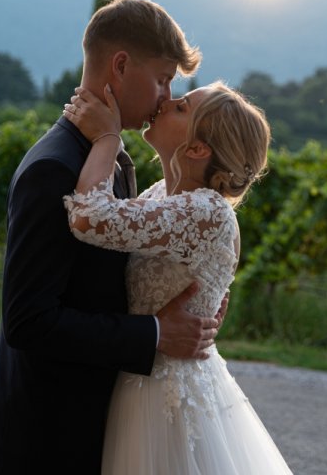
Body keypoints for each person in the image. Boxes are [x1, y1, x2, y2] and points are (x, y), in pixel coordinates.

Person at [0, 0, 225, 474]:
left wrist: (196, 307)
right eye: (162, 79)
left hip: (96, 427)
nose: (164, 96)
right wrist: (155, 334)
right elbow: (28, 321)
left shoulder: (105, 156)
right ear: (120, 65)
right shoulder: (54, 168)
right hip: (48, 438)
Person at [61, 79, 293, 474]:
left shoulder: (206, 210)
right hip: (139, 377)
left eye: (182, 107)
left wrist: (107, 138)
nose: (166, 102)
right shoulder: (159, 195)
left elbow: (89, 218)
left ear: (198, 149)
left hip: (167, 393)